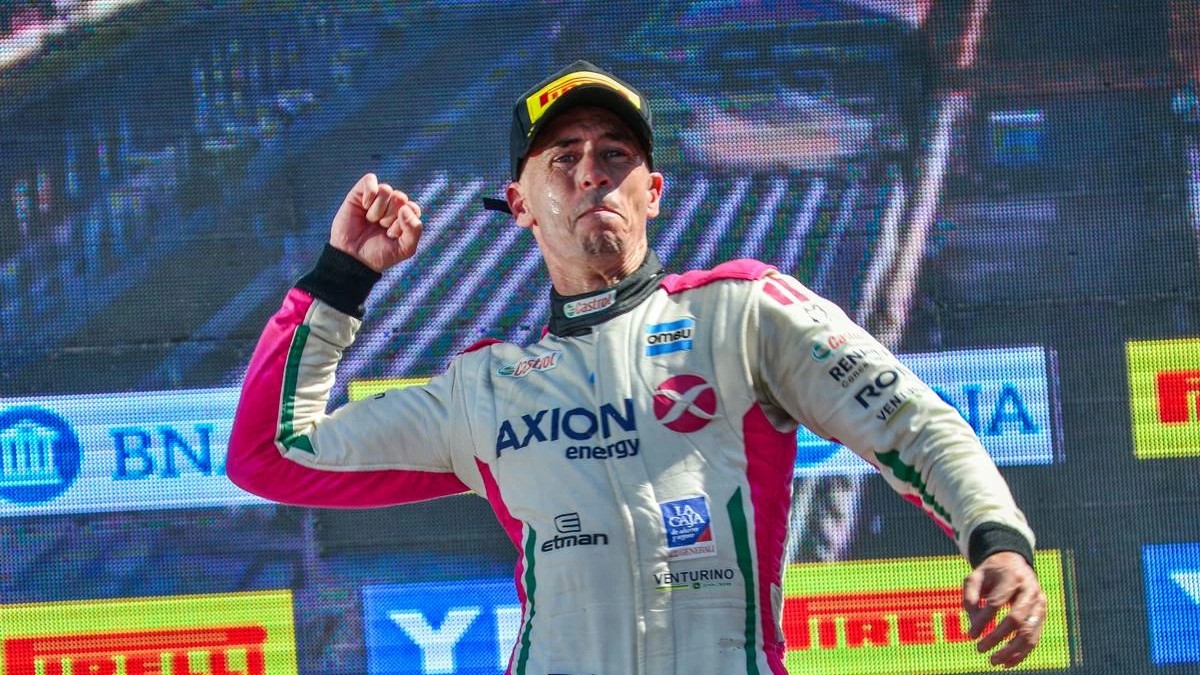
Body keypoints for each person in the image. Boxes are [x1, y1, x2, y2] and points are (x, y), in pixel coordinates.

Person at [228, 60, 1046, 673]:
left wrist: (999, 541)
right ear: (519, 204)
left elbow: (913, 422)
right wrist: (342, 278)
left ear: (652, 191)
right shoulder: (484, 389)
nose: (592, 171)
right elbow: (271, 453)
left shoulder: (742, 313)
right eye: (563, 156)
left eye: (615, 154)